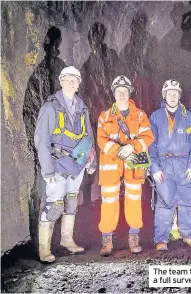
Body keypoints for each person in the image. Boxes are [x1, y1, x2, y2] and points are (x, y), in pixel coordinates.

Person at [34, 66, 96, 262]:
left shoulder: (82, 108)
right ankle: (44, 249)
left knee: (71, 203)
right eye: (67, 79)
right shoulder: (49, 107)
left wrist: (91, 160)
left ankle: (67, 240)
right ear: (60, 81)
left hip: (77, 164)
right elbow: (41, 140)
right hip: (57, 163)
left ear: (78, 84)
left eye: (75, 80)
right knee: (54, 206)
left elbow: (89, 136)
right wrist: (46, 168)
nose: (71, 82)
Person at [97, 75, 154, 256]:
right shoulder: (104, 116)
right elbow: (101, 139)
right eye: (118, 91)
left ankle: (134, 238)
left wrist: (131, 146)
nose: (122, 94)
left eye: (125, 91)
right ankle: (107, 240)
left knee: (134, 199)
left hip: (132, 164)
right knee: (109, 201)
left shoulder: (140, 116)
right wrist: (116, 150)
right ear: (113, 93)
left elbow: (148, 137)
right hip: (111, 164)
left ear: (129, 92)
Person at [149, 79, 191, 251]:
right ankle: (161, 238)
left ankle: (188, 235)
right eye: (169, 93)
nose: (172, 96)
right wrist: (154, 168)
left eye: (175, 93)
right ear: (164, 95)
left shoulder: (189, 117)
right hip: (164, 164)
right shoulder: (155, 117)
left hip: (184, 163)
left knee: (187, 201)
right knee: (165, 201)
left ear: (179, 95)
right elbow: (151, 144)